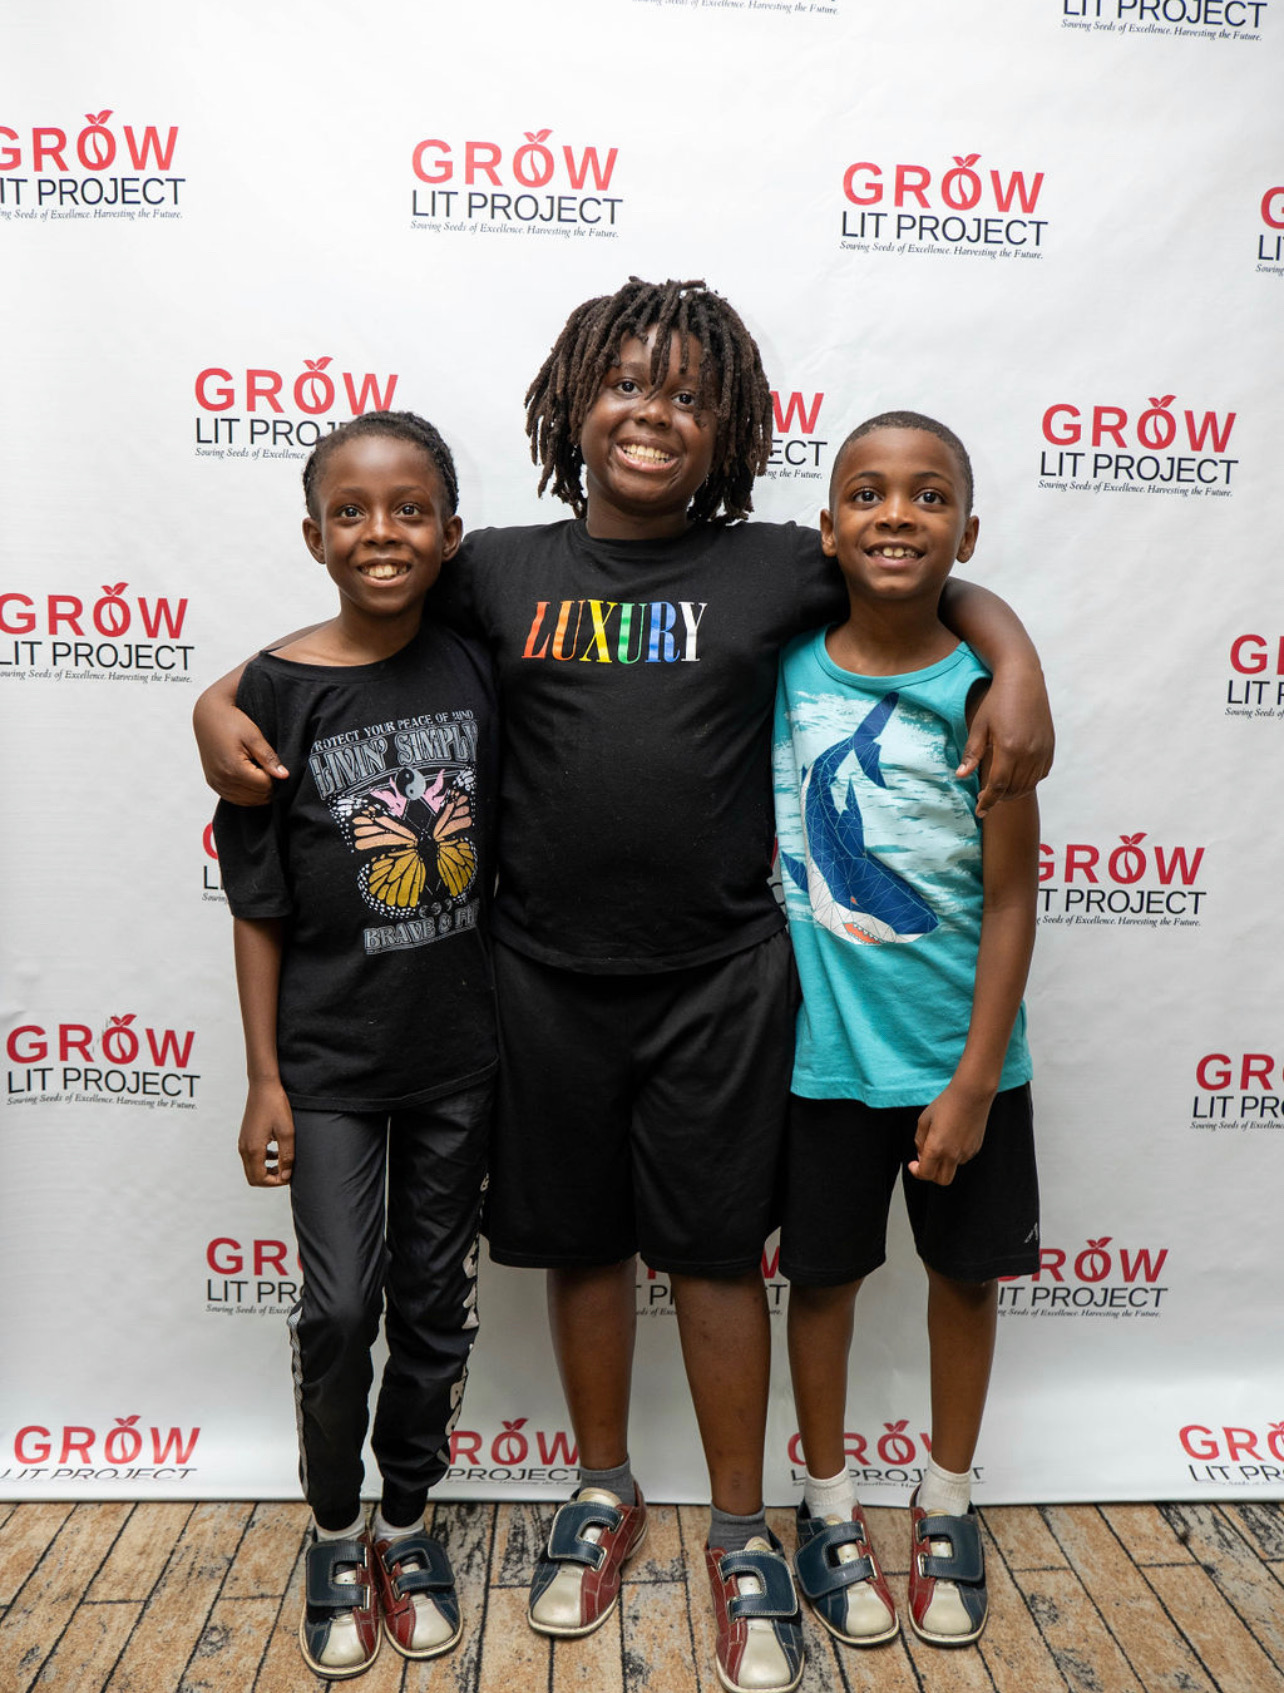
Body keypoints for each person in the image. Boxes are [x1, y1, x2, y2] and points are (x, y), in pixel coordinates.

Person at [196, 281, 1052, 1693]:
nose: (655, 411)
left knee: (716, 1255)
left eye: (691, 393)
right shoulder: (494, 569)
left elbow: (929, 578)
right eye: (627, 383)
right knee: (582, 1245)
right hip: (537, 979)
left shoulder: (773, 565)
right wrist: (212, 701)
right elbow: (333, 638)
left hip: (721, 981)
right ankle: (602, 1486)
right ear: (574, 405)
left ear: (732, 430)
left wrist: (1014, 663)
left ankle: (740, 1529)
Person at [212, 411, 498, 1680]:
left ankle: (407, 1521)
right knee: (339, 1308)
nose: (382, 532)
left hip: (460, 1058)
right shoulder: (273, 694)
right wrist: (264, 1078)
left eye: (409, 510)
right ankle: (336, 1527)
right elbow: (258, 904)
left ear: (449, 531)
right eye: (352, 512)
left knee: (434, 1301)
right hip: (326, 1064)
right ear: (314, 534)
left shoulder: (478, 659)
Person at [773, 412, 1039, 1653]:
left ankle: (947, 1494)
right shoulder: (782, 671)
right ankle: (827, 1500)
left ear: (967, 533)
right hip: (825, 1063)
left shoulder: (986, 699)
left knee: (964, 1278)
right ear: (827, 529)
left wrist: (976, 1078)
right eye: (866, 493)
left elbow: (1010, 895)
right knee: (822, 1281)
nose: (895, 513)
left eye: (928, 496)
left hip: (963, 1063)